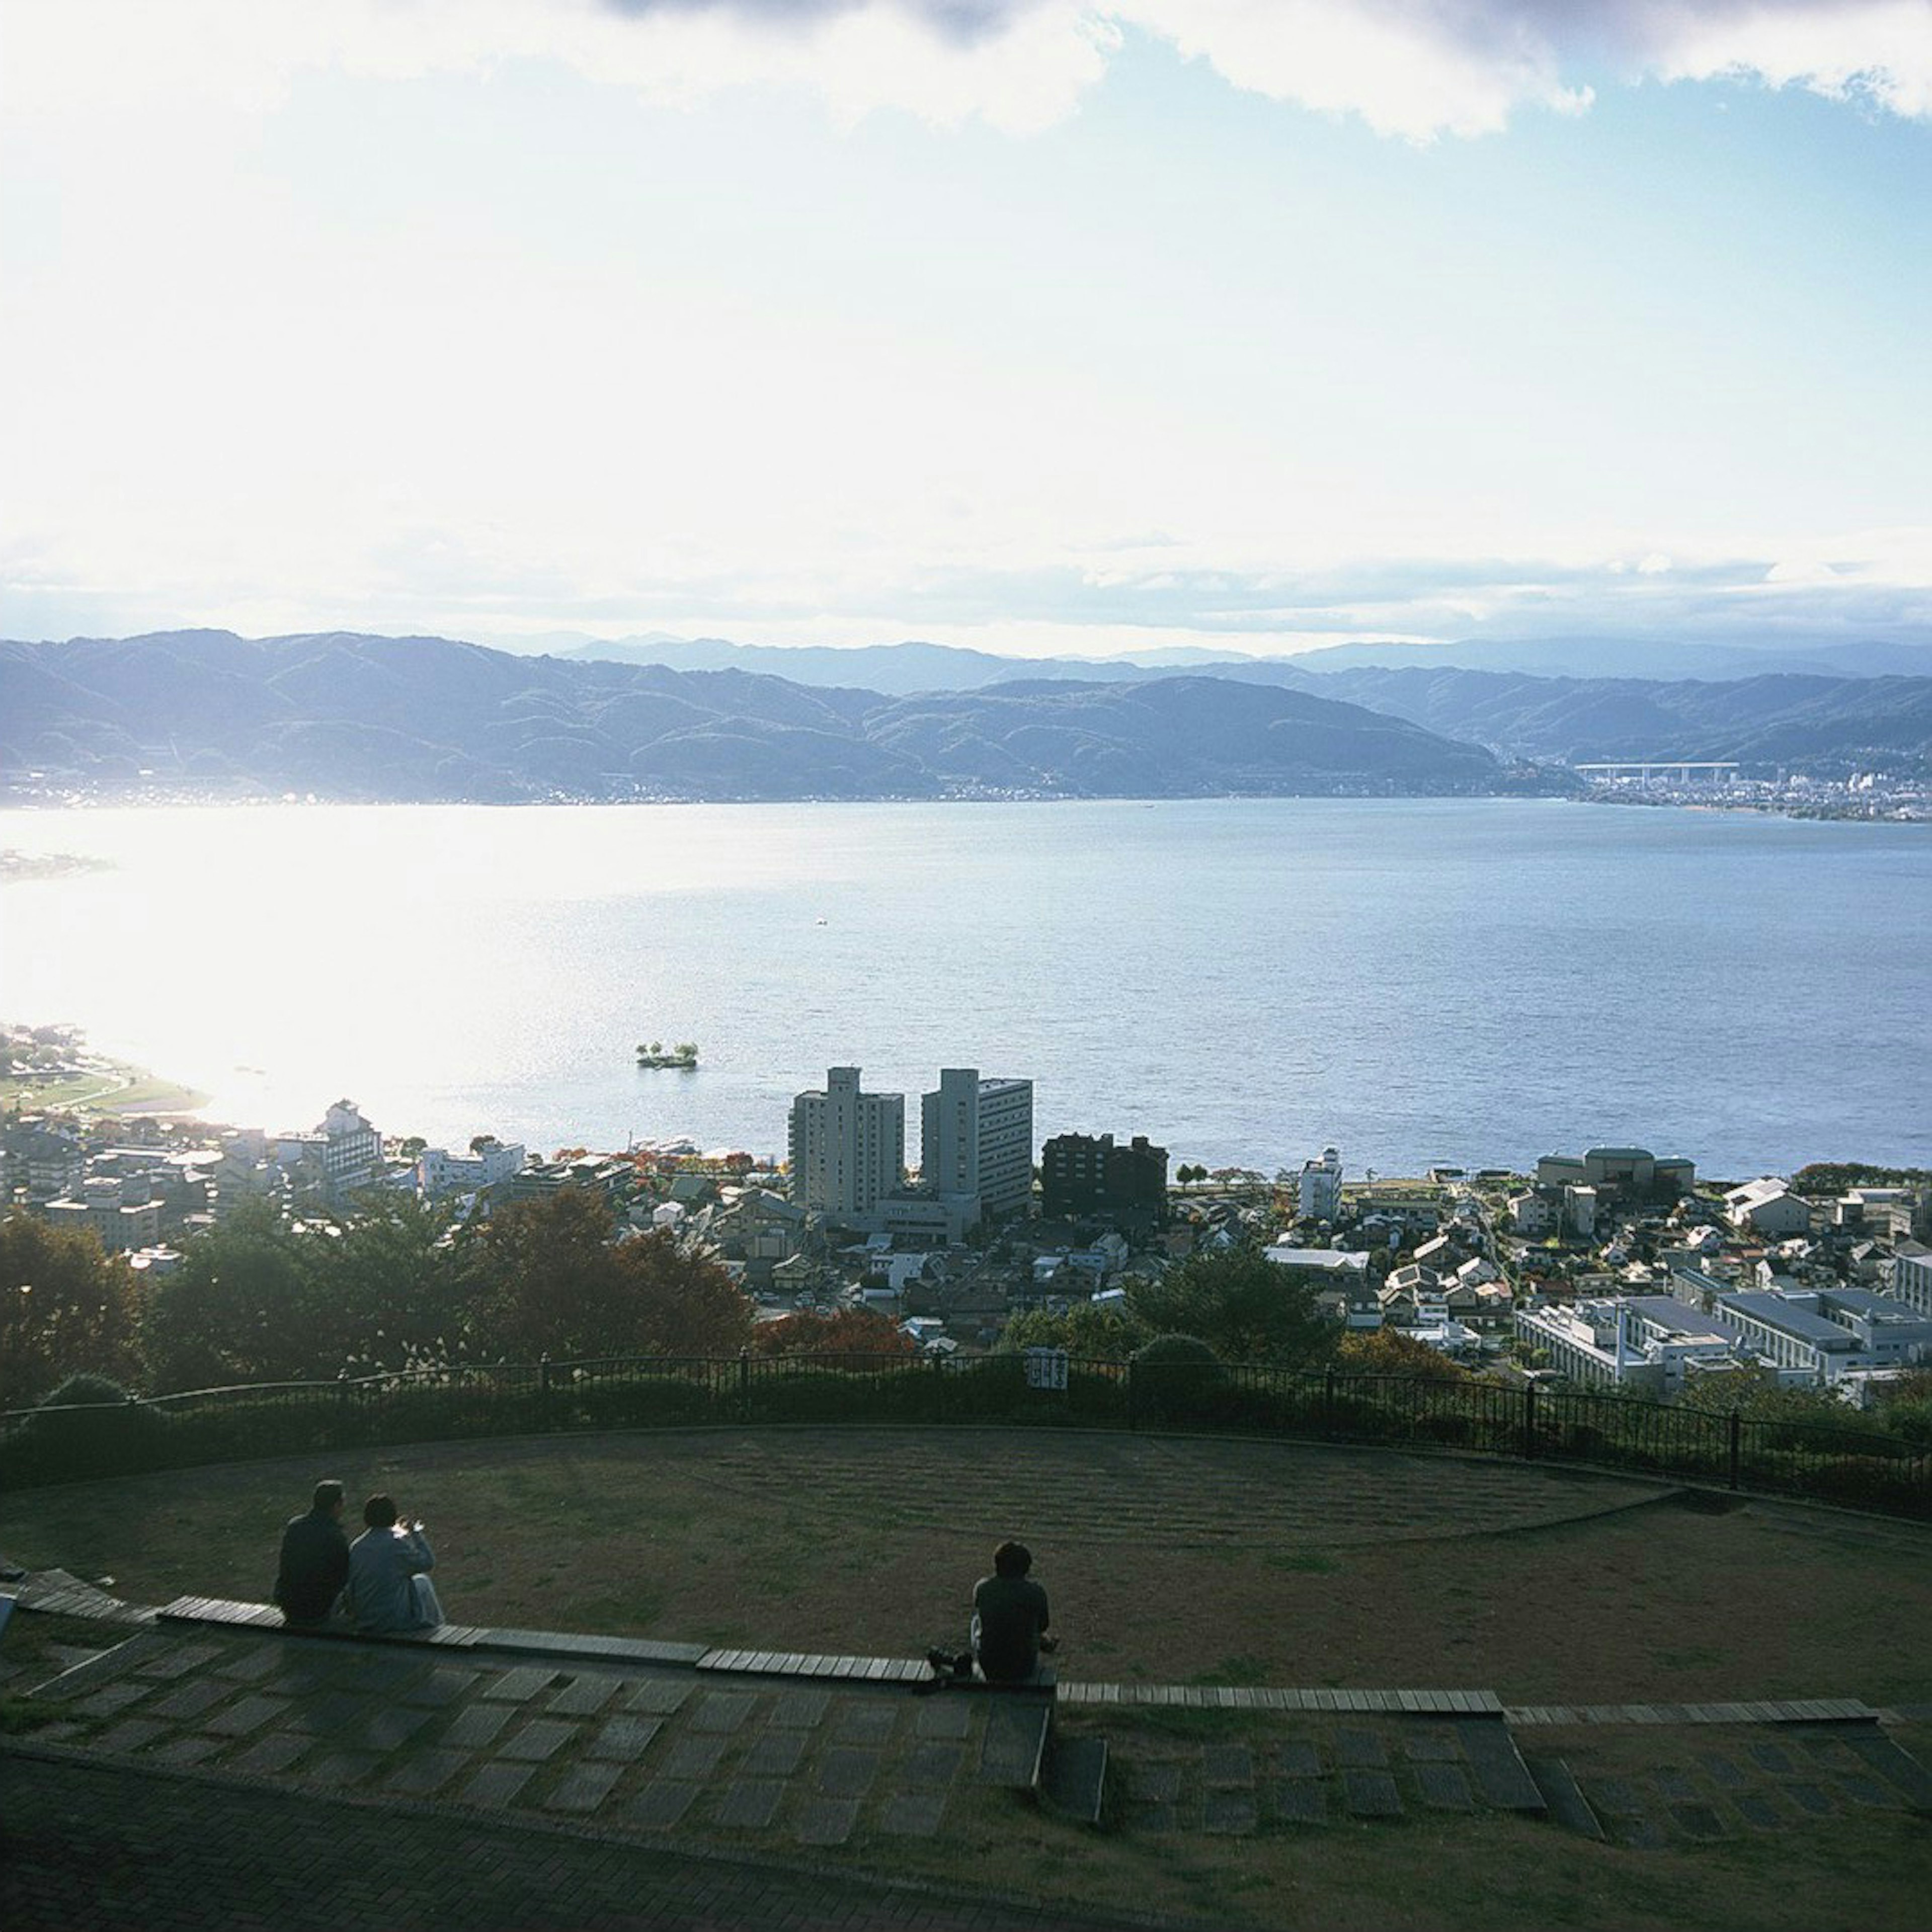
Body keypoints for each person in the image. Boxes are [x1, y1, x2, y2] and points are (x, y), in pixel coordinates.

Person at [344, 1493, 444, 1634]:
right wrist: (415, 1533)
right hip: (392, 1621)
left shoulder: (357, 1546)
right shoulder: (396, 1545)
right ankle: (438, 1627)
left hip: (365, 1618)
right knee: (423, 1581)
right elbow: (428, 1562)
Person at [971, 1539, 1056, 1684]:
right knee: (1028, 1626)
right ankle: (1045, 1644)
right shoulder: (1035, 1592)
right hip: (1023, 1667)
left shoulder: (983, 1588)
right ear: (1026, 1568)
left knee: (976, 1622)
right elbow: (1043, 1625)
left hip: (991, 1666)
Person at [273, 1478, 350, 1628]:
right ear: (336, 1505)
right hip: (316, 1611)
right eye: (342, 1504)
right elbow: (344, 1577)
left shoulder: (295, 1527)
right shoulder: (334, 1536)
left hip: (288, 1605)